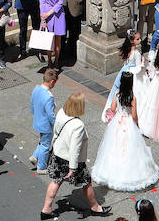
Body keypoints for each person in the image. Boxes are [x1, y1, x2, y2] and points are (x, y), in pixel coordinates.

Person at [90, 49, 159, 192]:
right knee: (131, 147)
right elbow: (134, 114)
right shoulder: (133, 97)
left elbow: (113, 108)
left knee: (114, 145)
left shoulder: (117, 93)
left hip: (118, 122)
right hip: (128, 122)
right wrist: (137, 124)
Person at [40, 91, 109, 220]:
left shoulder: (61, 112)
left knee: (56, 181)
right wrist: (73, 168)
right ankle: (95, 208)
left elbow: (56, 129)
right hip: (71, 160)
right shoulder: (78, 125)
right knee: (86, 183)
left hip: (58, 153)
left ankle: (46, 209)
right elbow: (75, 148)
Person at [28, 68, 58, 172]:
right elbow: (50, 114)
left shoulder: (36, 89)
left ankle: (35, 156)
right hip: (46, 125)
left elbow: (32, 104)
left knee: (42, 141)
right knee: (46, 145)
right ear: (52, 81)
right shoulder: (49, 97)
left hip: (37, 121)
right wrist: (56, 124)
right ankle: (41, 167)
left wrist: (35, 115)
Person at [40, 0, 67, 69]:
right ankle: (49, 61)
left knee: (58, 40)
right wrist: (43, 17)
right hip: (47, 16)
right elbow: (41, 2)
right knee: (49, 40)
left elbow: (60, 3)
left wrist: (48, 13)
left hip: (58, 15)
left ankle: (56, 61)